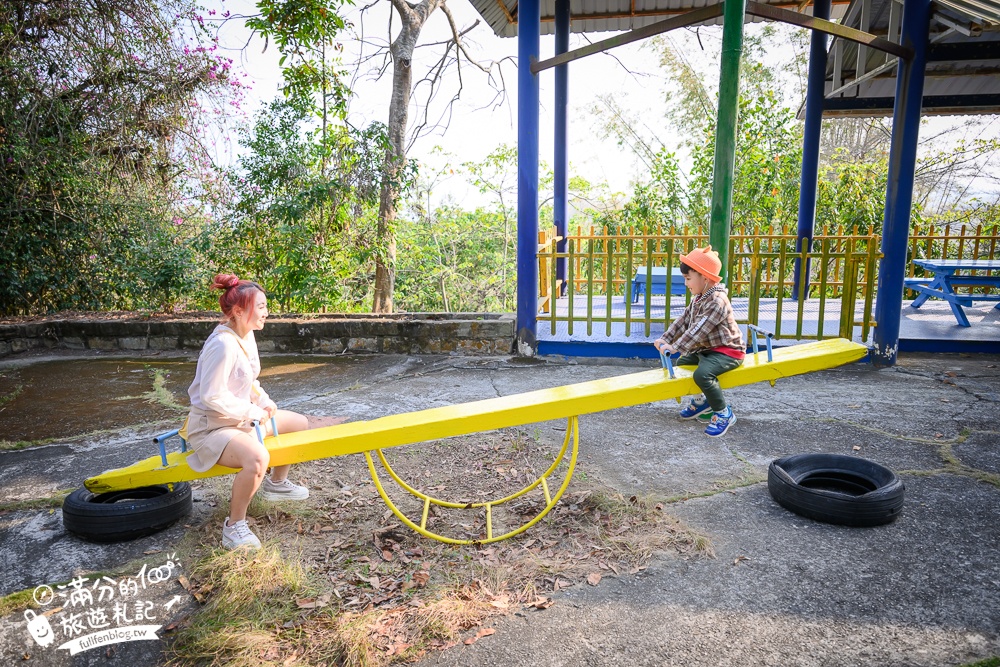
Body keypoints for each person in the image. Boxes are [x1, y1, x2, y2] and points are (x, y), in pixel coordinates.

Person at [184, 273, 329, 549]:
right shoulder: (222, 345)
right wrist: (250, 411)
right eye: (260, 306)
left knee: (298, 423)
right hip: (213, 428)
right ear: (239, 311)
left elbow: (247, 380)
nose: (266, 312)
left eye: (265, 305)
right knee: (258, 457)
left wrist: (262, 400)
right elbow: (212, 395)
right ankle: (234, 526)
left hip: (240, 419)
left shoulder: (246, 335)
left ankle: (277, 484)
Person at [653, 246, 745, 437]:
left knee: (703, 374)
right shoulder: (699, 298)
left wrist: (675, 346)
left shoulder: (717, 301)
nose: (686, 283)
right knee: (684, 363)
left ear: (704, 277)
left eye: (688, 278)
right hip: (709, 350)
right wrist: (666, 338)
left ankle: (723, 413)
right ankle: (702, 401)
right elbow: (683, 320)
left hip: (728, 351)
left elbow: (697, 331)